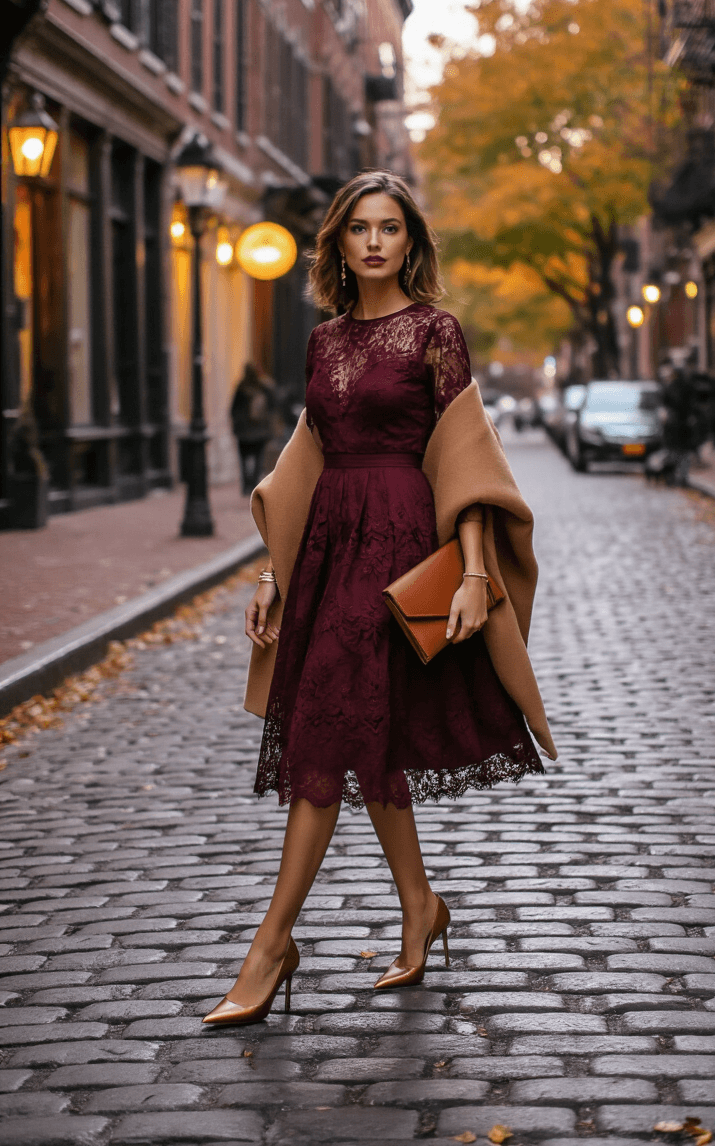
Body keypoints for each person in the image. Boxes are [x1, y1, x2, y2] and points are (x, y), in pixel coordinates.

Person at [203, 171, 557, 1028]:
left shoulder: (438, 330)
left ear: (410, 242)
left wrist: (473, 572)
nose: (373, 242)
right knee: (369, 734)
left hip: (406, 545)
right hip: (331, 546)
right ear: (339, 242)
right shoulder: (324, 343)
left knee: (331, 728)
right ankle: (421, 906)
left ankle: (272, 942)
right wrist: (273, 574)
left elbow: (461, 459)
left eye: (389, 228)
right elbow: (307, 462)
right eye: (358, 228)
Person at [230, 362, 273, 494]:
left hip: (244, 431)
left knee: (243, 459)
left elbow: (233, 409)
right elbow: (272, 405)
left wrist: (237, 424)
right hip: (260, 430)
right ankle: (254, 483)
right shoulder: (263, 387)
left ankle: (246, 486)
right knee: (258, 458)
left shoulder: (241, 388)